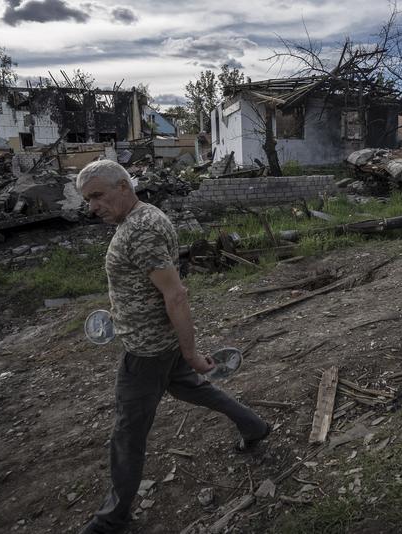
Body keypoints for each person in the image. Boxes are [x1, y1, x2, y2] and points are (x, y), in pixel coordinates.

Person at [76, 160, 270, 534]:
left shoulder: (141, 230)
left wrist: (192, 352)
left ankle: (112, 518)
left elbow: (175, 295)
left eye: (97, 196)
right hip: (155, 341)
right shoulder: (141, 218)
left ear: (123, 187)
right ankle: (254, 426)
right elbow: (146, 286)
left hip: (147, 352)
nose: (92, 206)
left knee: (127, 432)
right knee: (197, 389)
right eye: (87, 200)